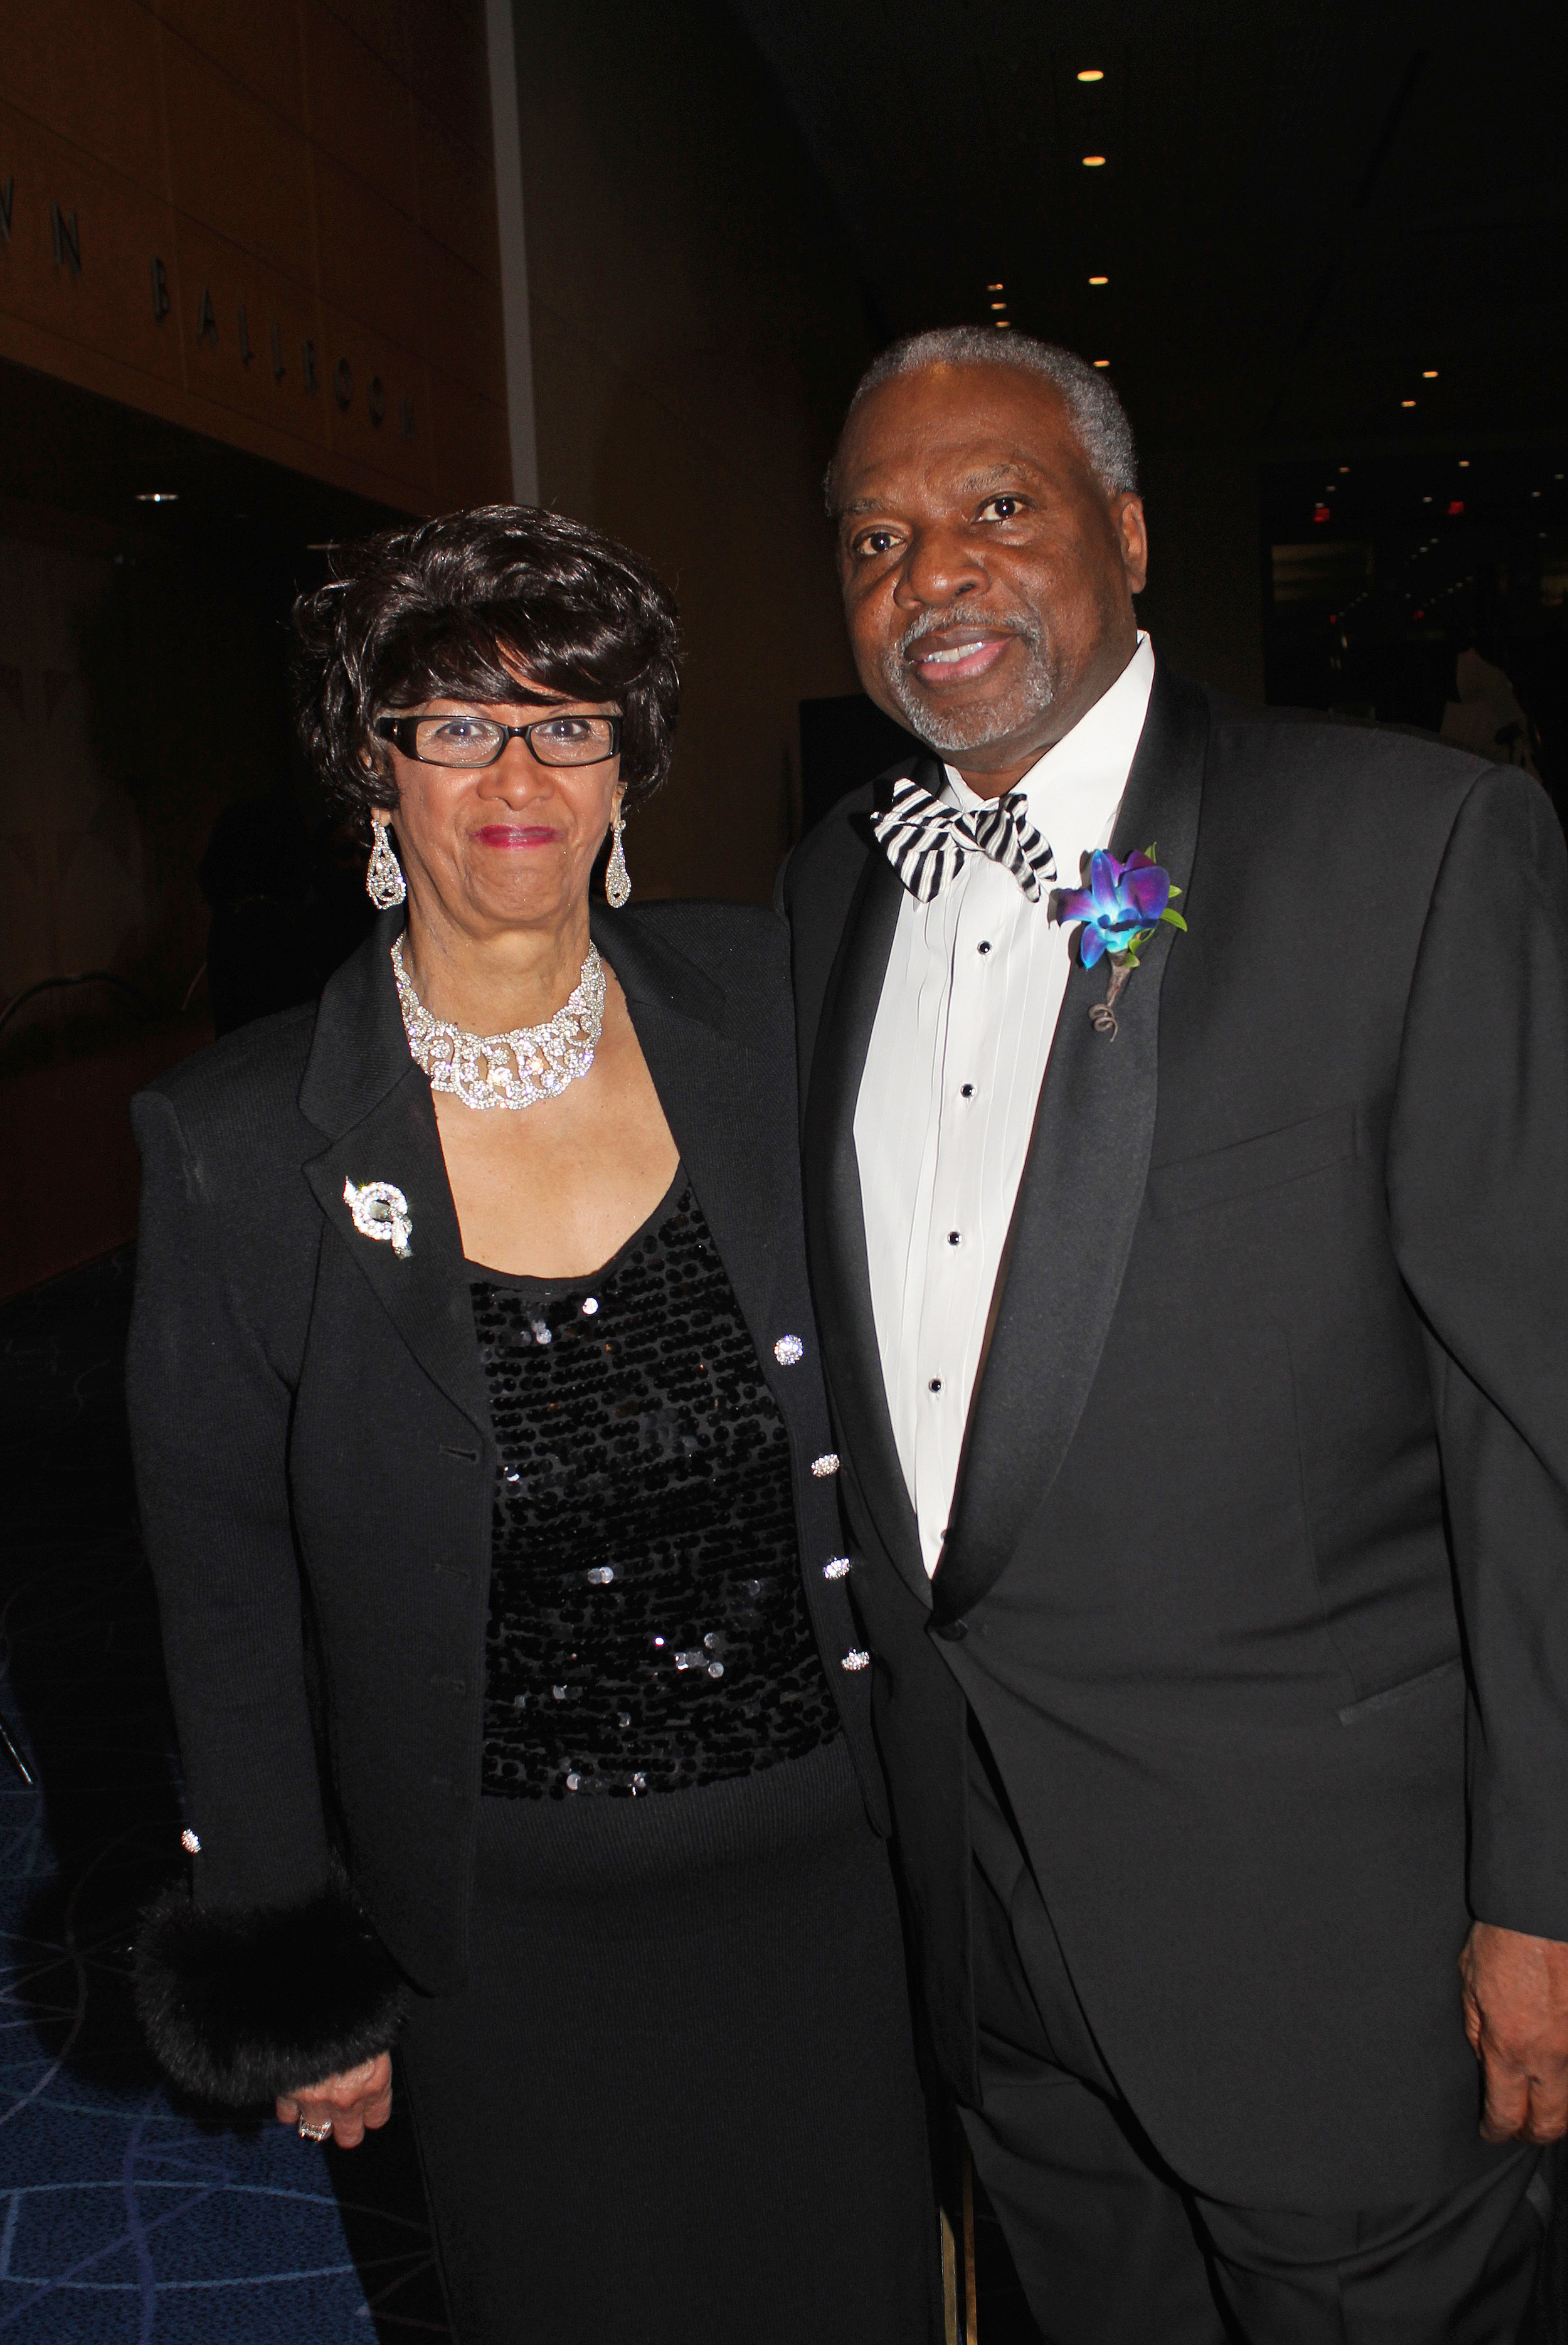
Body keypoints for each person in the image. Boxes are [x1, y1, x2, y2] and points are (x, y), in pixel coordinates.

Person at [776, 327, 1568, 2341]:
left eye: (995, 508)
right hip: (992, 1933)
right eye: (874, 537)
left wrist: (1545, 1886)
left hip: (1334, 1940)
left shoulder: (1408, 852)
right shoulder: (824, 907)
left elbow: (1528, 1419)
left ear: (1126, 535)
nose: (929, 574)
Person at [127, 504, 938, 2345]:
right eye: (456, 723)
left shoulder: (770, 1002)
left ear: (627, 768)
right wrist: (291, 1956)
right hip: (502, 1926)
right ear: (371, 770)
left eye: (569, 723)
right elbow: (227, 1595)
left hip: (828, 1877)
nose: (518, 770)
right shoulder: (240, 1141)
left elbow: (1069, 970)